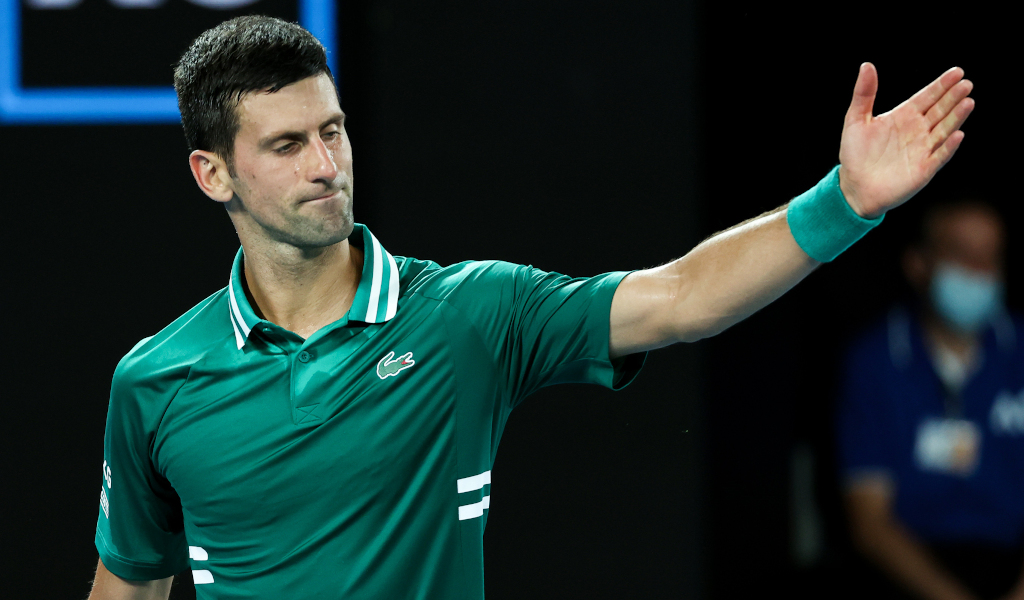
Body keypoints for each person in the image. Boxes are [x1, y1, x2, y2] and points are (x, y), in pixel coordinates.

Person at [88, 15, 975, 600]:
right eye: (287, 145)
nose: (326, 166)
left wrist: (842, 203)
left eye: (333, 130)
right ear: (213, 173)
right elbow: (128, 584)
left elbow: (681, 298)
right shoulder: (155, 381)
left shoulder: (468, 314)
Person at [838, 201, 1024, 600]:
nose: (978, 269)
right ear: (919, 263)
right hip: (907, 571)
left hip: (1011, 566)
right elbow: (870, 524)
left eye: (989, 256)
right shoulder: (874, 360)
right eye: (960, 252)